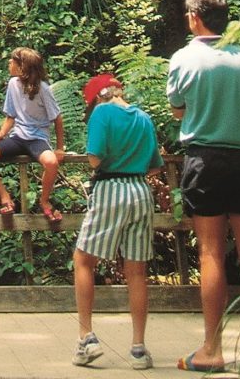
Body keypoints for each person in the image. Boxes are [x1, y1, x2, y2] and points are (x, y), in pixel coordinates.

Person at [167, 0, 240, 373]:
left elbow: (179, 110)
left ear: (195, 17)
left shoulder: (183, 59)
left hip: (205, 160)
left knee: (211, 252)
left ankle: (212, 349)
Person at [71, 71, 164, 371]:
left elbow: (95, 158)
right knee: (136, 270)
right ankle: (138, 349)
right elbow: (155, 167)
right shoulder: (144, 118)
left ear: (99, 96)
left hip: (111, 188)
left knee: (84, 259)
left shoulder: (102, 113)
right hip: (140, 190)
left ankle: (86, 339)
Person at [0, 47, 67, 228]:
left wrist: (60, 147)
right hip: (17, 137)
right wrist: (1, 133)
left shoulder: (43, 89)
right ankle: (5, 197)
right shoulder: (13, 84)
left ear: (22, 67)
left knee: (52, 163)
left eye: (12, 60)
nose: (9, 63)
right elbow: (11, 117)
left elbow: (57, 118)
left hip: (38, 139)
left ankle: (44, 201)